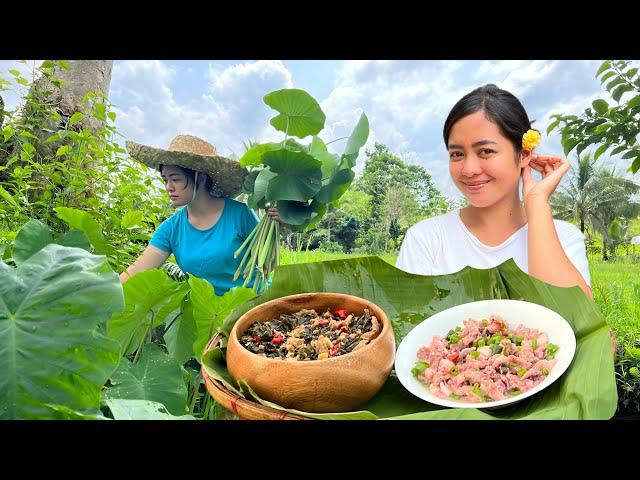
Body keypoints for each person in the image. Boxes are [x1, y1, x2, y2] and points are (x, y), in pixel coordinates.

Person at [396, 84, 592, 298]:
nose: (469, 170)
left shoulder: (564, 238)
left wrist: (537, 204)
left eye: (486, 151)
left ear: (524, 153)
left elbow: (579, 323)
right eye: (457, 154)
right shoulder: (427, 240)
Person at [120, 134, 279, 295]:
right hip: (209, 312)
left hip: (254, 307)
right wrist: (105, 289)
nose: (169, 187)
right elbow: (137, 270)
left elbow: (268, 264)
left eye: (175, 179)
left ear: (201, 179)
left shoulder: (239, 214)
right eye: (165, 180)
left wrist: (277, 224)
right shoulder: (171, 229)